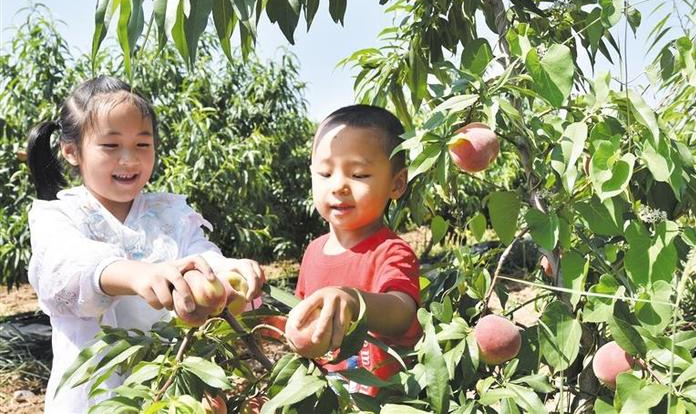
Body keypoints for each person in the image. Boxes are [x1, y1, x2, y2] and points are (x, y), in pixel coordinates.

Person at [25, 76, 265, 413]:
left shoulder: (170, 213)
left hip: (174, 393)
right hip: (94, 398)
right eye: (110, 146)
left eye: (142, 144)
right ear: (71, 151)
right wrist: (138, 275)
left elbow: (201, 254)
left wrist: (228, 272)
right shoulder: (58, 215)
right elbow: (63, 268)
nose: (129, 159)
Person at [290, 104, 421, 396]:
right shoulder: (313, 252)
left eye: (359, 175)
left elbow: (402, 313)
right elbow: (299, 323)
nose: (338, 186)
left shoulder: (391, 251)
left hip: (379, 403)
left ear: (397, 183)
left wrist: (352, 301)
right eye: (325, 173)